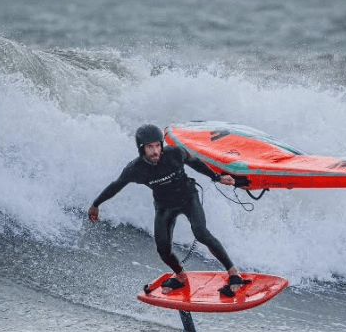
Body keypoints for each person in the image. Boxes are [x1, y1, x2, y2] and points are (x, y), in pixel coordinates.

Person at [88, 124, 249, 296]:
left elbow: (195, 163)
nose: (155, 151)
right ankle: (180, 276)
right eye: (150, 147)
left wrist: (216, 177)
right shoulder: (135, 169)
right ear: (141, 148)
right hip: (164, 205)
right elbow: (116, 186)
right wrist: (96, 204)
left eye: (158, 145)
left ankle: (233, 273)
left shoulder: (175, 153)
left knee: (201, 232)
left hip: (188, 197)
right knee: (163, 249)